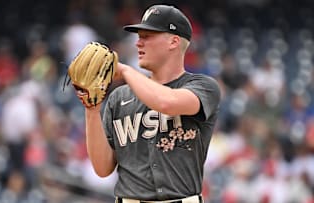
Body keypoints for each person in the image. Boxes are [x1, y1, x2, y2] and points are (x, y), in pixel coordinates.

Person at [81, 4, 221, 203]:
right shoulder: (119, 97)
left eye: (147, 36)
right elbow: (102, 169)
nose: (138, 43)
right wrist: (92, 111)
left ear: (173, 41)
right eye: (139, 37)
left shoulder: (203, 86)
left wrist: (127, 71)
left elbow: (166, 102)